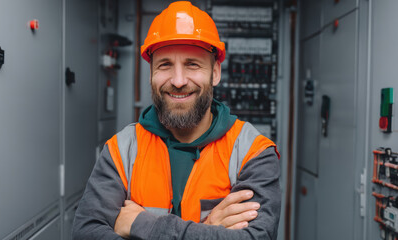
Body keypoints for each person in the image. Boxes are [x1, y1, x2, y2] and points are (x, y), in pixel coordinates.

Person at [72, 1, 281, 239]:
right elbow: (85, 233)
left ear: (215, 72)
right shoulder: (122, 150)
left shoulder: (252, 152)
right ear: (151, 74)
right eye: (165, 65)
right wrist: (209, 229)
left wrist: (143, 226)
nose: (179, 80)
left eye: (192, 64)